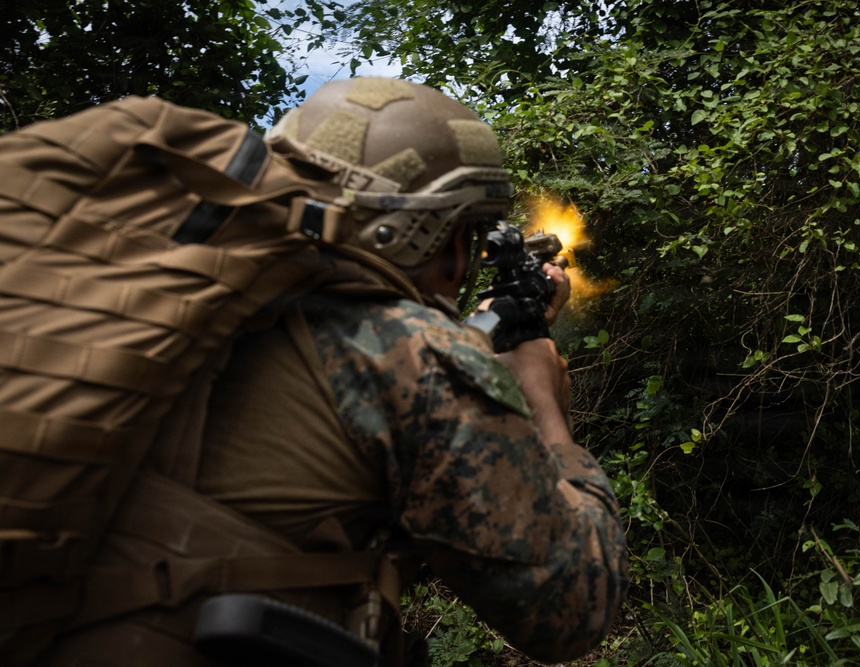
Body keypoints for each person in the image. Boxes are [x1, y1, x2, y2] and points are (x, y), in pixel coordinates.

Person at [39, 77, 628, 667]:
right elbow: (574, 612)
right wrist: (542, 397)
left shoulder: (148, 296)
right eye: (465, 236)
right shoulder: (415, 359)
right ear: (437, 237)